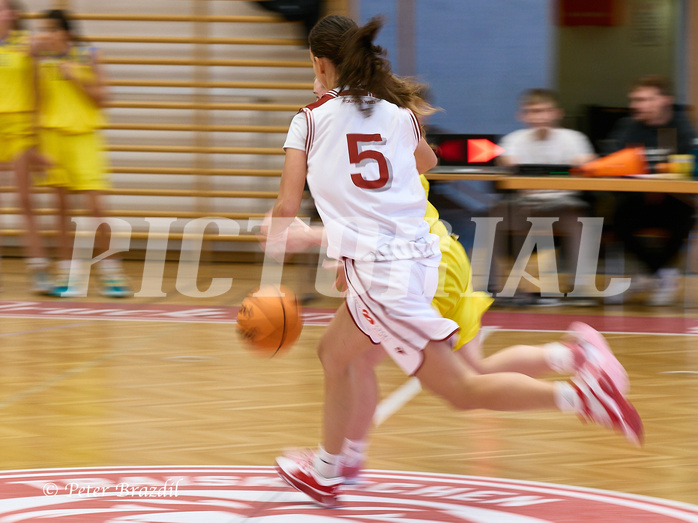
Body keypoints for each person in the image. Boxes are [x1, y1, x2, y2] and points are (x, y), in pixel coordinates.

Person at [267, 15, 642, 508]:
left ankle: (579, 397)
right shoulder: (398, 114)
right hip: (418, 256)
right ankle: (333, 464)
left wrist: (281, 235)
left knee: (462, 387)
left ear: (319, 63)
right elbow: (426, 163)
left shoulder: (309, 119)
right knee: (337, 355)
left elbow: (287, 207)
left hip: (388, 272)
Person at [34, 9, 131, 298]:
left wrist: (75, 76)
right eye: (44, 30)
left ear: (67, 32)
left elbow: (103, 99)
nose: (46, 35)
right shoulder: (40, 63)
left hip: (84, 139)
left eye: (51, 29)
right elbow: (37, 106)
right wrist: (39, 148)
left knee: (96, 209)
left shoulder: (89, 54)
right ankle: (67, 275)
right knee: (61, 210)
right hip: (53, 139)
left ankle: (112, 274)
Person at [495, 89, 597, 305]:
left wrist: (584, 163)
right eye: (532, 111)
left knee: (581, 222)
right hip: (526, 206)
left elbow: (589, 163)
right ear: (522, 115)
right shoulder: (513, 139)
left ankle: (581, 289)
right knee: (492, 218)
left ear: (556, 113)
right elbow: (507, 161)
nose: (539, 116)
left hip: (564, 205)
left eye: (544, 111)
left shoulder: (574, 139)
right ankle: (497, 288)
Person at [606, 75, 695, 306]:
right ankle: (659, 274)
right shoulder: (627, 127)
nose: (637, 105)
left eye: (644, 99)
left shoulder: (681, 126)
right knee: (618, 221)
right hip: (637, 199)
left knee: (684, 221)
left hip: (673, 200)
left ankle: (648, 276)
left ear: (665, 100)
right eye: (635, 100)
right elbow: (612, 160)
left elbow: (689, 164)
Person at [0, 0, 52, 292]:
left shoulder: (25, 43)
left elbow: (50, 44)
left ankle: (39, 269)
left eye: (2, 9)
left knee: (25, 200)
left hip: (19, 127)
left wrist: (38, 43)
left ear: (13, 14)